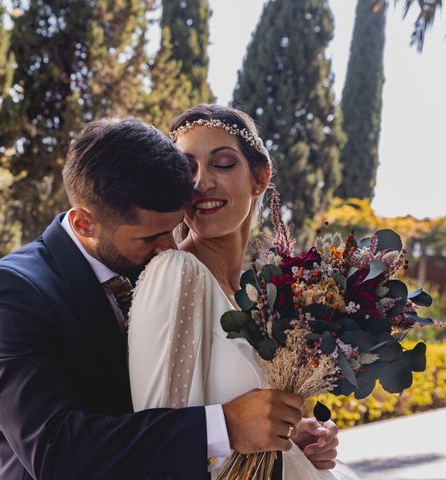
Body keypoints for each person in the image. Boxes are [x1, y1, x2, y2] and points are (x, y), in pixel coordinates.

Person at [0, 118, 326, 479]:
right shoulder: (12, 293)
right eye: (150, 237)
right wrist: (225, 427)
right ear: (84, 224)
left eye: (171, 230)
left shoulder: (162, 268)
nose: (168, 248)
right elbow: (56, 452)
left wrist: (284, 437)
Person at [128, 105, 355, 479]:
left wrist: (292, 437)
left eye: (223, 163)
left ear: (260, 178)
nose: (201, 182)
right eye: (187, 169)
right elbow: (159, 440)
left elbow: (249, 421)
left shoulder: (264, 293)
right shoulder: (176, 274)